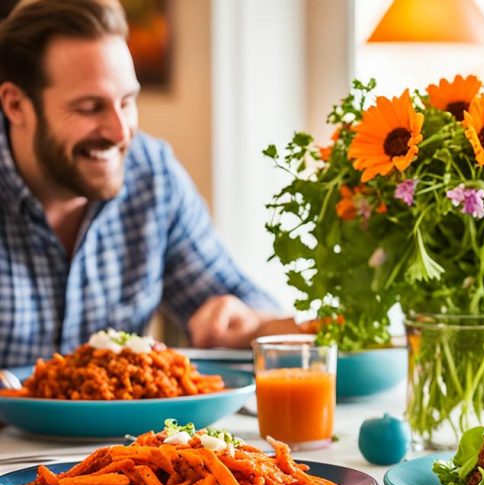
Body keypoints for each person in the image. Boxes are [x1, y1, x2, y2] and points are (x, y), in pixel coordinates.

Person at [0, 0, 294, 368]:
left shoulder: (151, 175)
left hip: (125, 429)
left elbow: (244, 306)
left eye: (126, 102)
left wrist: (247, 321)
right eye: (90, 108)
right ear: (15, 105)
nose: (120, 132)